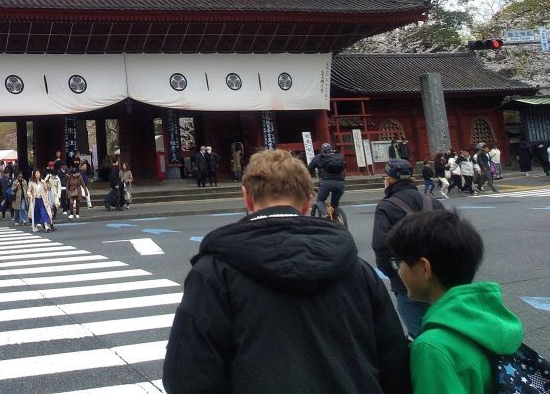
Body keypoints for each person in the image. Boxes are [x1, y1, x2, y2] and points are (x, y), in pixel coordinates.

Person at [162, 149, 410, 394]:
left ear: (247, 198)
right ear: (308, 202)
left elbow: (187, 376)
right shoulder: (357, 269)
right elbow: (394, 361)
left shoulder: (213, 273)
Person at [386, 210, 523, 394]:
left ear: (424, 267)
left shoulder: (432, 348)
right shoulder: (493, 320)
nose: (398, 271)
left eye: (399, 263)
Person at [372, 158, 444, 338]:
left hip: (408, 283)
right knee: (448, 330)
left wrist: (395, 275)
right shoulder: (433, 203)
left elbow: (381, 247)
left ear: (389, 180)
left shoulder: (386, 207)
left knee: (422, 335)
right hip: (440, 279)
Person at [308, 142, 346, 217]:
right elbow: (344, 166)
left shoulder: (318, 157)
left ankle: (325, 215)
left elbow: (309, 169)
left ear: (321, 150)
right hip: (340, 183)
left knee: (320, 200)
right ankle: (336, 215)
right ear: (331, 149)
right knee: (334, 204)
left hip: (326, 182)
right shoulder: (338, 156)